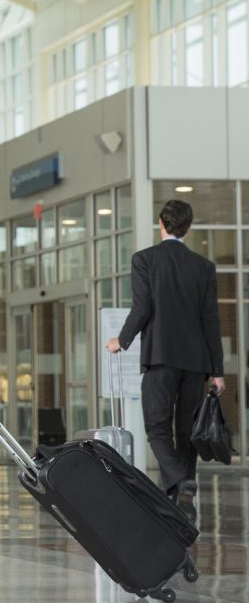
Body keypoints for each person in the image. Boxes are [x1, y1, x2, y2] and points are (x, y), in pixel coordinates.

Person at [107, 199, 224, 523]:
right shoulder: (204, 267)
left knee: (157, 428)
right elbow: (210, 320)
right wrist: (217, 371)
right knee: (186, 430)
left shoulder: (145, 259)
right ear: (187, 227)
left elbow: (142, 308)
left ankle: (180, 481)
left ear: (161, 223)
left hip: (160, 358)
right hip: (196, 362)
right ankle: (182, 499)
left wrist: (122, 340)